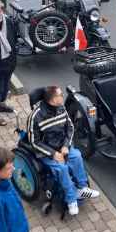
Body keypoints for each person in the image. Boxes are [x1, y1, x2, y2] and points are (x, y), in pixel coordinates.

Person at [27, 86, 99, 216]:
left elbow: (70, 128)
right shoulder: (35, 116)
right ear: (53, 100)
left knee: (76, 156)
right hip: (47, 151)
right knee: (62, 168)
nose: (62, 96)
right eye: (60, 95)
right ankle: (71, 199)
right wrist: (53, 154)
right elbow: (34, 142)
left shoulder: (61, 108)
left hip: (62, 146)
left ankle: (82, 188)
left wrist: (66, 145)